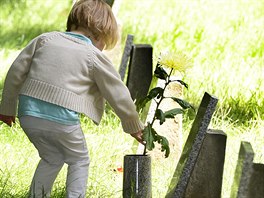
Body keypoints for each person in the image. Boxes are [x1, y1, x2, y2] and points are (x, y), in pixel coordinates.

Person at [0, 0, 144, 197]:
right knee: (79, 159)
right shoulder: (92, 54)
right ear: (100, 34)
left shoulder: (45, 39)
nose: (102, 49)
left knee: (52, 157)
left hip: (28, 115)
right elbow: (117, 92)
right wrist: (133, 125)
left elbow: (16, 71)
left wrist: (7, 108)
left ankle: (37, 195)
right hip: (61, 118)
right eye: (104, 44)